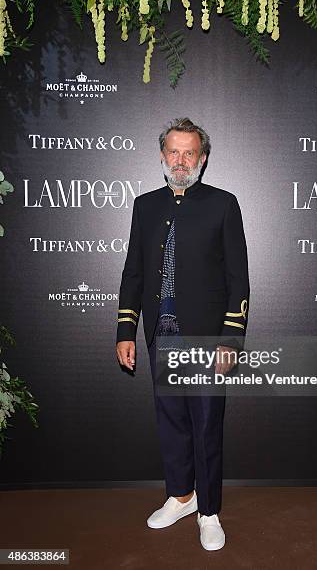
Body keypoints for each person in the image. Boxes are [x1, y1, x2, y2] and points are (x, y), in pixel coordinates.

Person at [116, 117, 249, 551]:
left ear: (202, 158)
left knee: (206, 425)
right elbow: (133, 271)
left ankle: (209, 511)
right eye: (173, 151)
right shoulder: (145, 205)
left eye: (189, 152)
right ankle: (181, 496)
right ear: (162, 155)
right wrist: (126, 330)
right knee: (171, 423)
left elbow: (238, 278)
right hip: (162, 334)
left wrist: (231, 338)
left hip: (208, 337)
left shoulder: (223, 204)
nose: (180, 160)